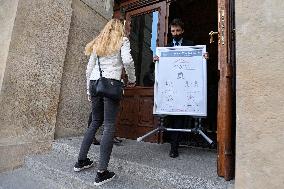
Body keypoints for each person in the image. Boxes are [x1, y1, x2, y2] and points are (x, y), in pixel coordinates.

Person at [73, 19, 136, 186]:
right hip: (110, 84)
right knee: (108, 126)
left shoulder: (98, 42)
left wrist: (88, 90)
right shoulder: (122, 40)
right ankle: (101, 172)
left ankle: (81, 161)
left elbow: (89, 68)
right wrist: (133, 79)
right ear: (120, 29)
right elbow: (128, 61)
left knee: (94, 122)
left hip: (94, 83)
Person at [154, 18, 208, 158]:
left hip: (185, 89)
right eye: (173, 31)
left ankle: (174, 147)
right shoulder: (165, 48)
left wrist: (204, 57)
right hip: (171, 89)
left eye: (178, 30)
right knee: (171, 117)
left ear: (182, 31)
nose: (175, 33)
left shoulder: (190, 45)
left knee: (179, 116)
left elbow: (197, 62)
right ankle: (173, 144)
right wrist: (157, 60)